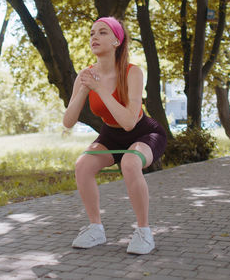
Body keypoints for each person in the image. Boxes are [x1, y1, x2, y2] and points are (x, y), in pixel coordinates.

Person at [62, 16, 167, 255]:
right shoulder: (85, 75)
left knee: (130, 162)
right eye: (92, 33)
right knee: (83, 165)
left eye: (102, 32)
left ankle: (143, 232)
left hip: (145, 132)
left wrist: (99, 89)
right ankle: (95, 228)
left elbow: (130, 122)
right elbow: (68, 122)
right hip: (110, 134)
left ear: (117, 40)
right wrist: (85, 88)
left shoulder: (132, 72)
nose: (94, 37)